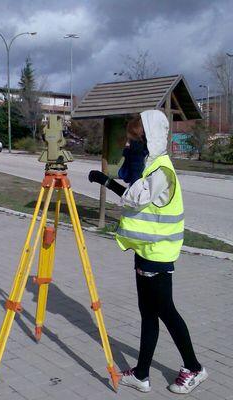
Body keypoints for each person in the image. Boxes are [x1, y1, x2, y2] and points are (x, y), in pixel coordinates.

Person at [88, 110, 208, 394]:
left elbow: (135, 198)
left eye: (133, 141)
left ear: (148, 140)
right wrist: (110, 178)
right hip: (145, 251)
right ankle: (141, 374)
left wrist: (107, 182)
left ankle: (194, 368)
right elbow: (135, 195)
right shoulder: (150, 167)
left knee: (166, 311)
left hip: (159, 255)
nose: (128, 146)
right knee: (147, 313)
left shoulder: (161, 171)